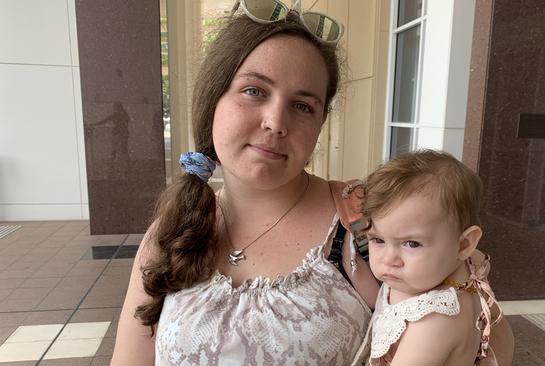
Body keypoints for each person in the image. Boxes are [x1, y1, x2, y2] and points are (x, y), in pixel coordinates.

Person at [111, 1, 513, 365]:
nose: (275, 122)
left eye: (302, 106)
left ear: (319, 125)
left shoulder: (369, 219)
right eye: (254, 90)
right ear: (213, 98)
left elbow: (486, 329)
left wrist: (459, 318)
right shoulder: (172, 231)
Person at [362, 150, 504, 365]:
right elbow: (504, 337)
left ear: (463, 244)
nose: (388, 259)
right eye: (377, 240)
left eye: (411, 243)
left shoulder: (432, 323)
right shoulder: (470, 264)